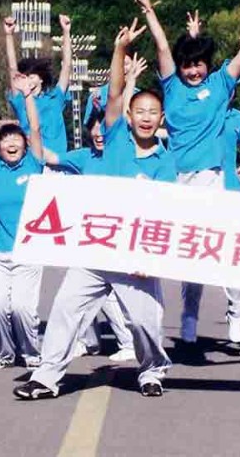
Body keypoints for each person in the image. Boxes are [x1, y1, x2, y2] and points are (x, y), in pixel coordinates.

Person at [15, 20, 175, 400]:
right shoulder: (115, 137)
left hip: (135, 254)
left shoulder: (165, 162)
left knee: (144, 321)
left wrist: (149, 256)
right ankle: (46, 377)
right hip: (96, 246)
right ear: (129, 117)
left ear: (161, 119)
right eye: (140, 111)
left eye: (153, 112)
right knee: (66, 308)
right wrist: (119, 49)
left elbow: (167, 213)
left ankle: (152, 371)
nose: (146, 117)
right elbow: (116, 91)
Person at [134, 0, 240, 344]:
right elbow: (162, 47)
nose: (193, 71)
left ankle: (236, 313)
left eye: (198, 65)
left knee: (225, 248)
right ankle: (189, 314)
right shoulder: (171, 87)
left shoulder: (219, 85)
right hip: (176, 178)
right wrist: (150, 11)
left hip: (210, 179)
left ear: (207, 65)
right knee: (190, 254)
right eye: (188, 65)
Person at [49, 55, 147, 362]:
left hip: (123, 226)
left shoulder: (125, 147)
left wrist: (131, 78)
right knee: (81, 290)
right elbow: (49, 157)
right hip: (92, 230)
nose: (100, 132)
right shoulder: (85, 155)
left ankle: (130, 343)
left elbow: (121, 108)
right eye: (96, 127)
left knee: (121, 291)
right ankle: (83, 342)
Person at [0, 70, 46, 369]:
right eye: (6, 140)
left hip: (28, 253)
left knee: (21, 309)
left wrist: (27, 96)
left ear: (25, 145)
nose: (12, 143)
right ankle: (4, 353)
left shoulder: (33, 164)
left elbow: (35, 128)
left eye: (17, 139)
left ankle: (31, 353)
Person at [3, 13, 72, 156]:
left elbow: (66, 66)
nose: (28, 80)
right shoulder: (20, 100)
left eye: (32, 76)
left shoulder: (55, 97)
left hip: (57, 160)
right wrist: (9, 35)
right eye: (25, 77)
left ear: (41, 79)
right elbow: (12, 68)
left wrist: (66, 32)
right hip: (32, 159)